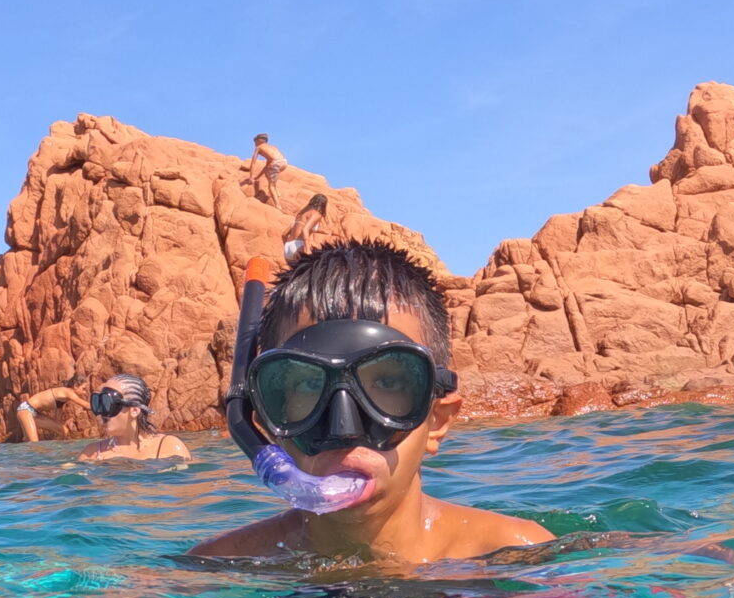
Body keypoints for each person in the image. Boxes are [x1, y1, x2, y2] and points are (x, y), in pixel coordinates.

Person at [193, 238, 548, 564]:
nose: (344, 428)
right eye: (308, 384)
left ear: (437, 421)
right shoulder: (220, 570)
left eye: (387, 382)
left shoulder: (514, 557)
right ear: (269, 423)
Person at [82, 373, 190, 464]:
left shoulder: (168, 447)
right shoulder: (91, 453)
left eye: (108, 403)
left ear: (134, 410)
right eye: (98, 403)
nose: (101, 411)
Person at [241, 132, 288, 206]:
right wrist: (257, 177)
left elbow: (253, 163)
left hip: (276, 163)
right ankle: (277, 192)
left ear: (259, 140)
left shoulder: (259, 147)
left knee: (271, 186)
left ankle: (278, 205)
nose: (255, 144)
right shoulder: (271, 147)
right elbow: (266, 167)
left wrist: (251, 177)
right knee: (268, 171)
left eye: (255, 141)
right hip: (284, 162)